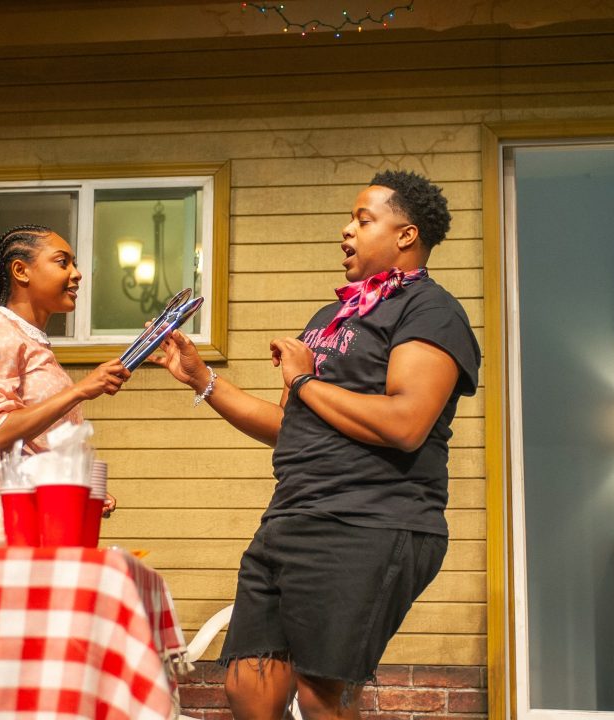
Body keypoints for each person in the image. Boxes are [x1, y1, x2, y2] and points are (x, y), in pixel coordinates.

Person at [151, 171, 481, 719]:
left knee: (322, 693)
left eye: (363, 219)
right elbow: (294, 426)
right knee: (247, 685)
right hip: (293, 515)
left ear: (406, 235)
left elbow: (405, 422)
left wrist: (305, 380)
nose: (346, 230)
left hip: (371, 520)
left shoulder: (431, 310)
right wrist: (204, 380)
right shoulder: (332, 318)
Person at [0, 224, 128, 537]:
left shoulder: (32, 343)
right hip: (1, 521)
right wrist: (81, 390)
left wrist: (77, 491)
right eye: (62, 262)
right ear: (21, 271)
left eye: (75, 263)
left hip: (43, 520)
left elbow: (33, 451)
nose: (77, 273)